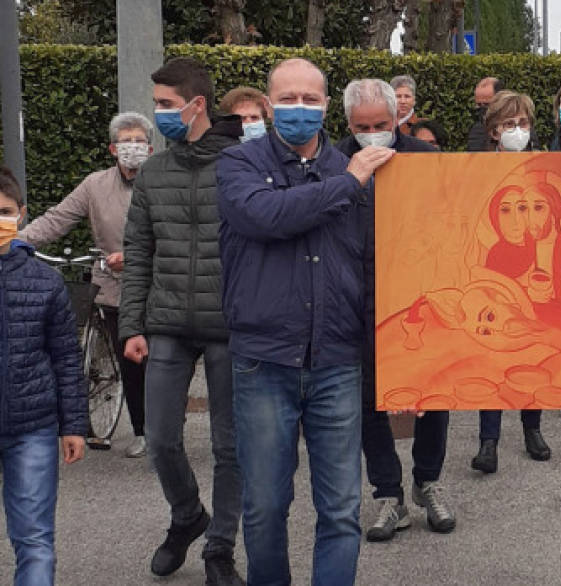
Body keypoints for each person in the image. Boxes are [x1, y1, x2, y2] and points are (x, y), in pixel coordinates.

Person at [215, 58, 394, 585]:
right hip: (264, 361)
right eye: (288, 99)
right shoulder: (237, 164)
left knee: (341, 510)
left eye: (310, 100)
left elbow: (376, 265)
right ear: (269, 107)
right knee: (266, 507)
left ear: (324, 105)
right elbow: (266, 216)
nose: (299, 109)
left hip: (338, 361)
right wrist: (348, 183)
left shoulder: (351, 166)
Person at [118, 57, 244, 585]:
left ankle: (220, 548)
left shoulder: (242, 162)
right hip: (166, 322)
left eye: (166, 105)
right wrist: (131, 325)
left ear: (197, 105)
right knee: (162, 438)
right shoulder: (153, 172)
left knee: (229, 447)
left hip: (229, 325)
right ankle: (188, 516)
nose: (158, 115)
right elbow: (138, 248)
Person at [331, 78, 455, 542]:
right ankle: (389, 494)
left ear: (397, 118)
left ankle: (428, 481)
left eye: (380, 125)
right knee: (367, 400)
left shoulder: (425, 159)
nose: (371, 134)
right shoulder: (332, 162)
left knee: (434, 394)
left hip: (421, 295)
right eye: (361, 126)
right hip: (354, 299)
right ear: (347, 124)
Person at [20, 112, 152, 458]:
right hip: (111, 284)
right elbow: (57, 218)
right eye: (127, 143)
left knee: (157, 360)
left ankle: (163, 425)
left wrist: (136, 253)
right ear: (113, 148)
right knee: (130, 363)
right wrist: (17, 239)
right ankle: (142, 430)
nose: (133, 149)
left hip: (156, 284)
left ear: (151, 149)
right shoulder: (95, 185)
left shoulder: (161, 182)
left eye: (140, 142)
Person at [0, 166, 86, 586]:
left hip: (31, 427)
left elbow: (66, 357)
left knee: (34, 540)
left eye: (3, 211)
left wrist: (73, 424)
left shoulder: (45, 282)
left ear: (21, 214)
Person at [470, 89, 553, 474]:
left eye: (522, 123)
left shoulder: (544, 169)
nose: (516, 130)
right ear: (493, 131)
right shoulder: (476, 170)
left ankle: (532, 428)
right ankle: (489, 439)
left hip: (536, 264)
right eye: (508, 124)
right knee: (494, 354)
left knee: (530, 350)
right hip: (496, 264)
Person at [467, 77, 504, 152]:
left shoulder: (521, 126)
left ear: (500, 101)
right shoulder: (477, 132)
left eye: (487, 104)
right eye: (479, 105)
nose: (482, 109)